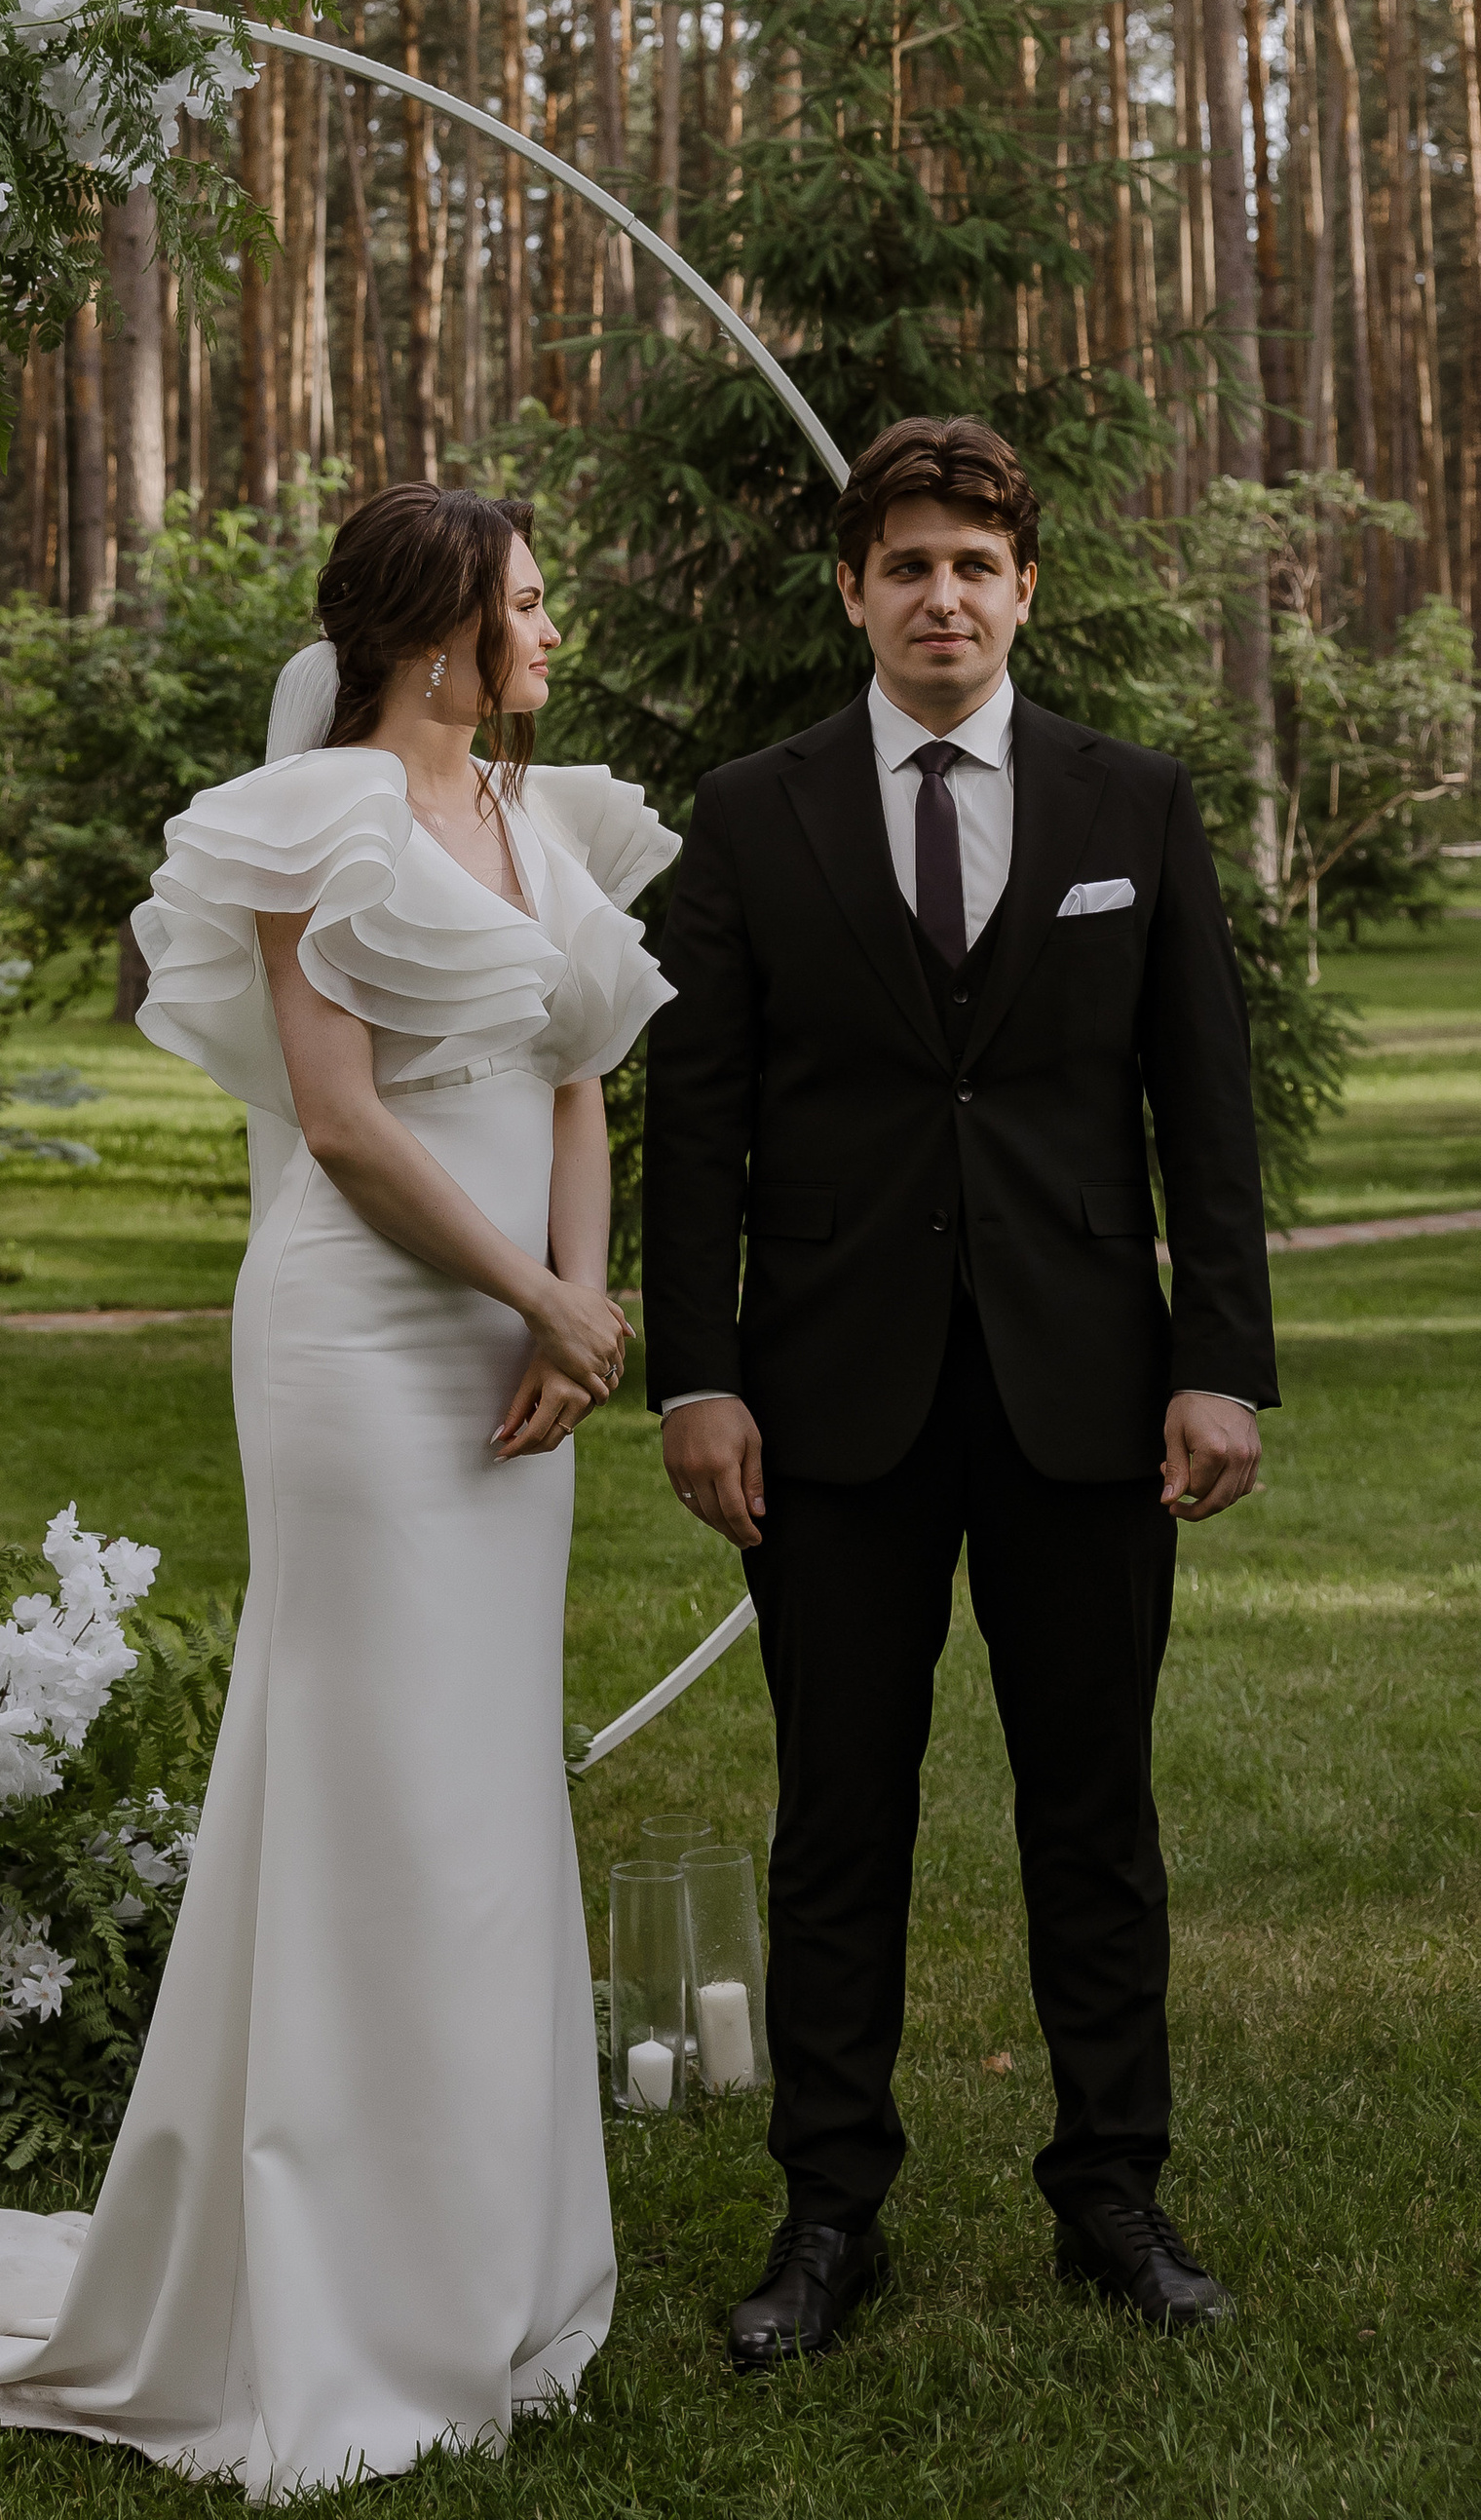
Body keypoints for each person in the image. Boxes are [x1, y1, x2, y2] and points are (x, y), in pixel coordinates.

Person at [0, 484, 679, 2498]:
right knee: (372, 1791)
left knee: (479, 1792)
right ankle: (329, 2291)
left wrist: (576, 1305)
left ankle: (491, 2272)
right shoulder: (316, 820)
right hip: (361, 1349)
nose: (553, 632)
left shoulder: (540, 820)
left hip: (507, 1345)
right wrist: (533, 1289)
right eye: (527, 605)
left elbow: (573, 1077)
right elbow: (351, 1128)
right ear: (437, 635)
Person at [641, 414, 1278, 2372]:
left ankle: (1111, 2190)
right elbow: (698, 1124)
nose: (939, 597)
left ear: (1023, 592)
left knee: (1089, 1811)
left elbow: (1201, 1108)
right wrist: (695, 1378)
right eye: (903, 565)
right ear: (851, 591)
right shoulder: (749, 816)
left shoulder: (1129, 804)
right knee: (839, 1814)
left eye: (971, 567)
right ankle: (830, 2209)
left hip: (1083, 1393)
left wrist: (1217, 1365)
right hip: (828, 1406)